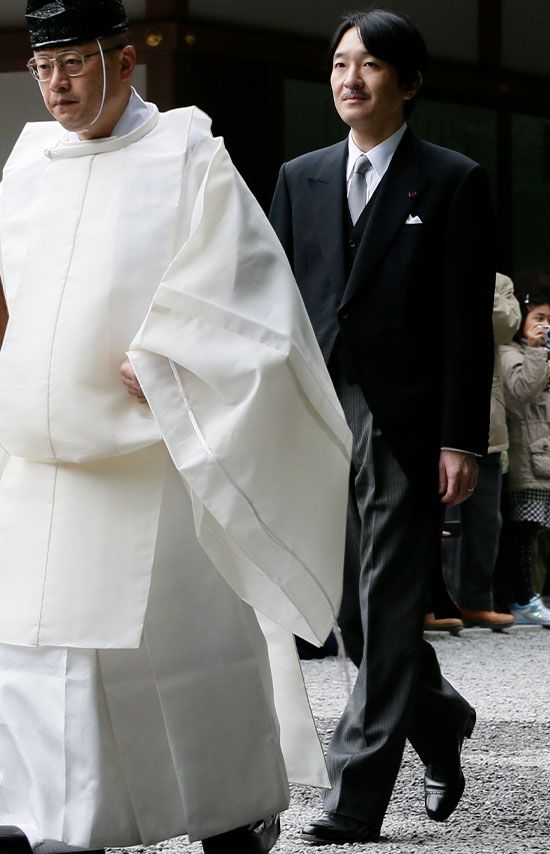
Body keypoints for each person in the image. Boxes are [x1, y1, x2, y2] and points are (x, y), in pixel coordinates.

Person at [0, 2, 350, 852]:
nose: (56, 85)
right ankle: (50, 817)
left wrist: (169, 351)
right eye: (43, 68)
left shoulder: (187, 151)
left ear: (124, 61)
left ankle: (231, 813)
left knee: (181, 653)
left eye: (74, 64)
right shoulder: (27, 162)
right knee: (37, 651)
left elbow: (249, 289)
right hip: (40, 457)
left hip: (151, 449)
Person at [268, 9, 494, 844]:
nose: (348, 78)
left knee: (389, 601)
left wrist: (460, 438)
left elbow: (467, 324)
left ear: (409, 83)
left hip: (406, 421)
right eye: (337, 63)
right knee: (348, 613)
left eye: (367, 65)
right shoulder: (302, 177)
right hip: (319, 412)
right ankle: (440, 722)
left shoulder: (451, 179)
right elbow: (276, 302)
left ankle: (353, 797)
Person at [497, 291, 550, 626]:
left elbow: (548, 411)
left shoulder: (536, 354)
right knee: (524, 531)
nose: (545, 327)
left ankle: (528, 599)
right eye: (538, 319)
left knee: (536, 531)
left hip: (544, 457)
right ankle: (523, 600)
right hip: (525, 456)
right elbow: (520, 393)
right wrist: (536, 351)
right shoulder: (508, 352)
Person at [443, 273, 521, 631]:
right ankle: (438, 601)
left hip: (487, 418)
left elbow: (504, 327)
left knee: (486, 520)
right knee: (444, 517)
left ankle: (476, 600)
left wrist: (476, 283)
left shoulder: (499, 282)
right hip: (438, 410)